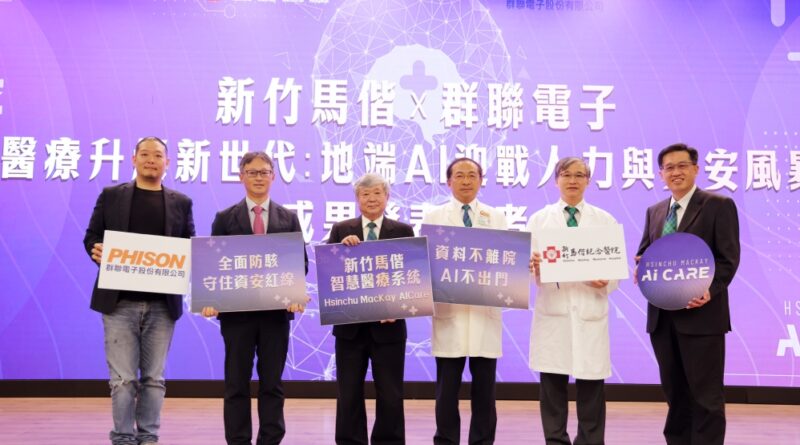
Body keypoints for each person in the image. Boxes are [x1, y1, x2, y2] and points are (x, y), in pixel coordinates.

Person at [83, 136, 196, 445]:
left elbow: (189, 244)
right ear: (133, 159)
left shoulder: (181, 202)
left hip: (162, 306)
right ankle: (122, 437)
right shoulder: (111, 196)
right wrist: (97, 250)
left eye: (157, 155)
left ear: (167, 163)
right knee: (123, 380)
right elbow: (91, 236)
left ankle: (148, 437)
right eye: (144, 154)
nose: (151, 160)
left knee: (154, 379)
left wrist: (188, 257)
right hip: (119, 303)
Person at [636, 143, 740, 445]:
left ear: (695, 168)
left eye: (682, 165)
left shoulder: (718, 205)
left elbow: (727, 259)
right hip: (662, 318)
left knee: (706, 396)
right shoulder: (655, 211)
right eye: (669, 167)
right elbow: (645, 252)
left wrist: (709, 290)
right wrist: (641, 268)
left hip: (702, 317)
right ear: (661, 174)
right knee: (675, 394)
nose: (676, 172)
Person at [201, 152, 308, 445]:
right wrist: (210, 298)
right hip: (237, 316)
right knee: (236, 383)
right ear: (241, 177)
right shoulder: (224, 218)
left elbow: (300, 263)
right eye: (252, 172)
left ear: (273, 176)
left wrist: (295, 293)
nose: (258, 177)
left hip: (276, 314)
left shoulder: (288, 218)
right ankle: (238, 440)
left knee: (272, 383)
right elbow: (213, 264)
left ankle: (270, 440)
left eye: (264, 172)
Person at [527, 157, 618, 445]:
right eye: (566, 175)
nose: (573, 180)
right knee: (552, 388)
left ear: (588, 181)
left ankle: (591, 441)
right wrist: (533, 267)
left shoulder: (604, 220)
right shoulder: (539, 220)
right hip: (554, 313)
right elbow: (527, 270)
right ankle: (555, 441)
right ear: (556, 180)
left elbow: (615, 273)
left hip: (589, 313)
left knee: (591, 389)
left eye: (580, 175)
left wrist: (606, 280)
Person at [422, 158, 508, 445]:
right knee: (447, 391)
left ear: (481, 180)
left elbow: (507, 261)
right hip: (450, 314)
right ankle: (446, 440)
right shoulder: (434, 217)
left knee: (485, 391)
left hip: (484, 313)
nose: (466, 180)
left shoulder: (496, 217)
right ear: (449, 182)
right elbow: (425, 264)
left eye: (472, 175)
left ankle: (482, 441)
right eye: (459, 175)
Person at [328, 173, 415, 445]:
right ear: (357, 199)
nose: (372, 199)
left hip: (389, 328)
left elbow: (412, 276)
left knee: (390, 394)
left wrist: (399, 307)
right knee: (349, 393)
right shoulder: (342, 229)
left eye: (377, 193)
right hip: (350, 329)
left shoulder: (403, 231)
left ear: (387, 197)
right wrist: (340, 250)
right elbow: (330, 273)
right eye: (365, 194)